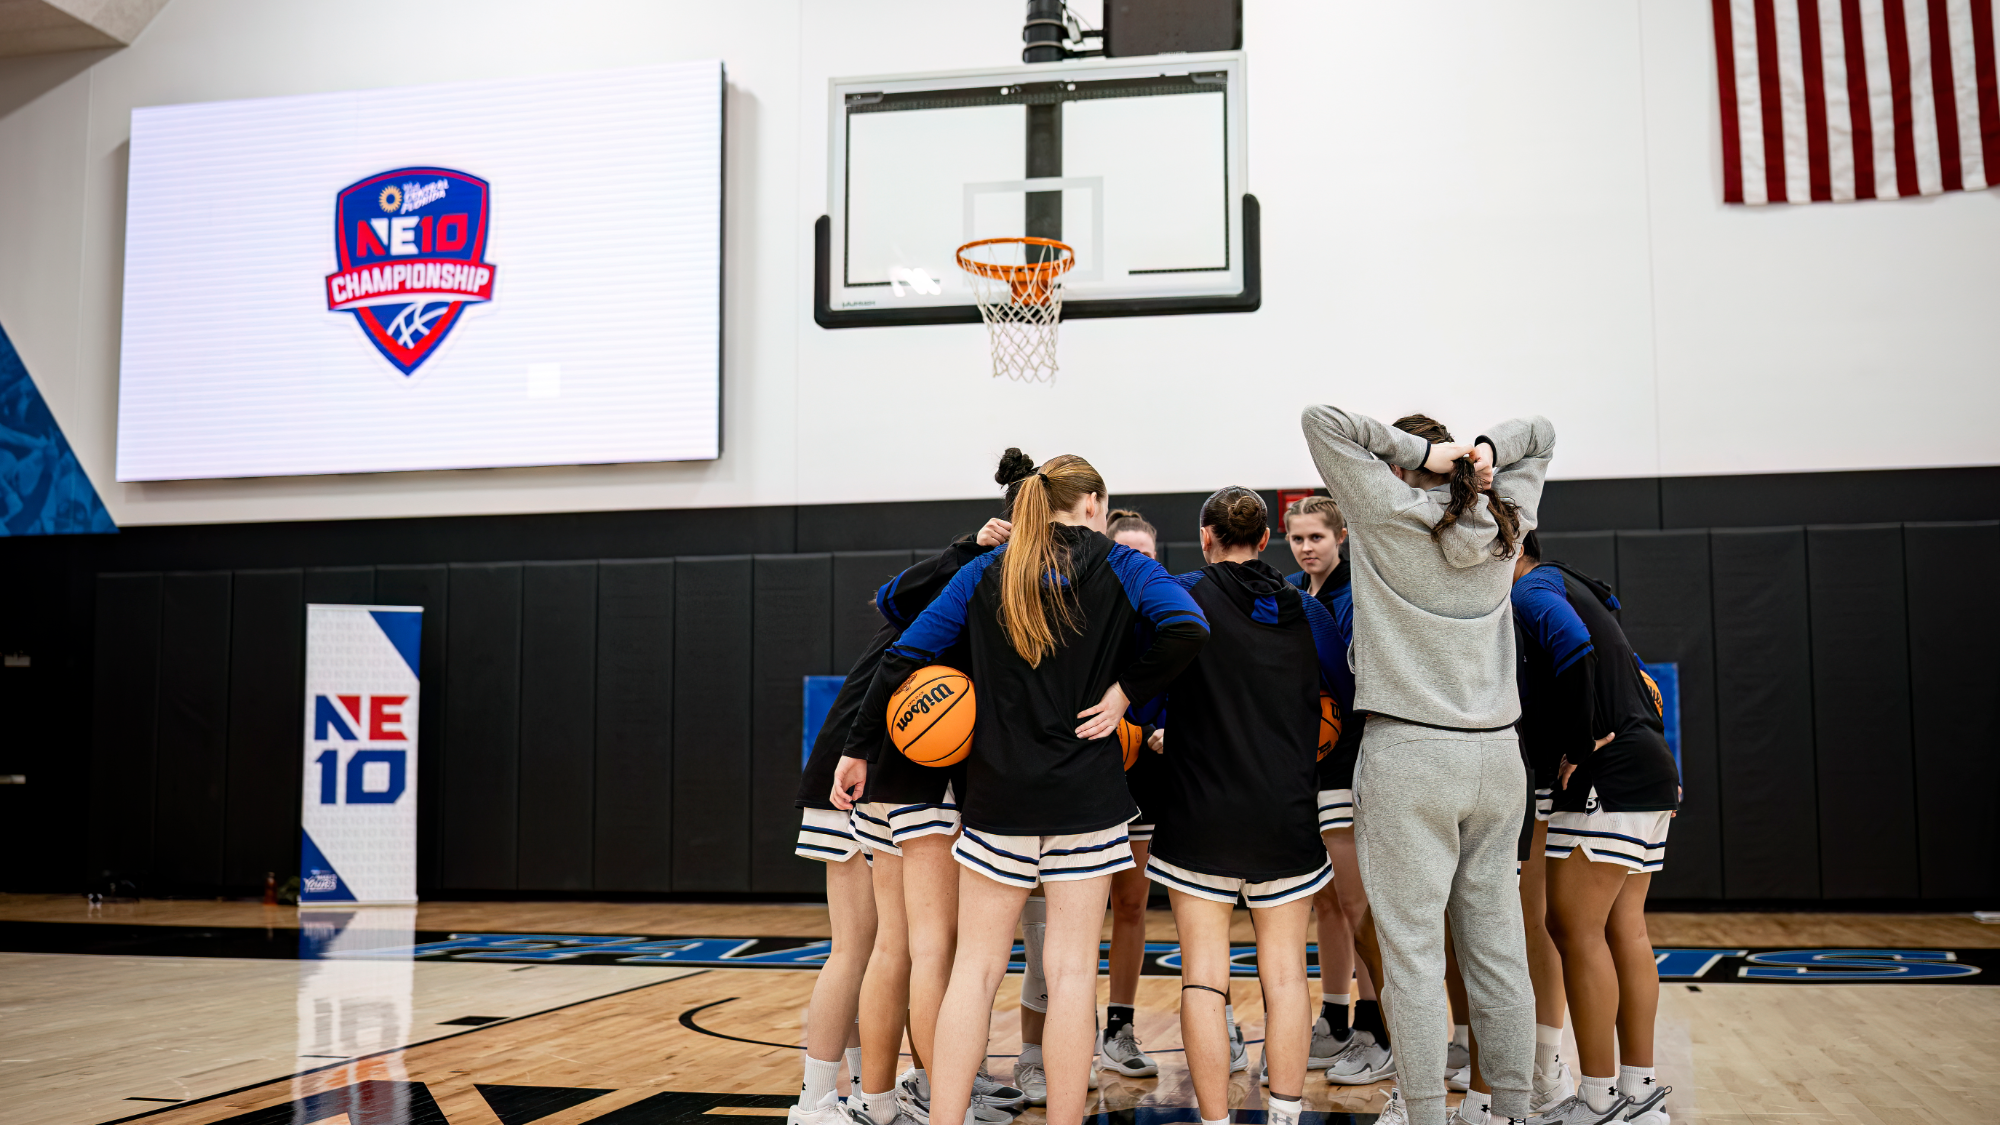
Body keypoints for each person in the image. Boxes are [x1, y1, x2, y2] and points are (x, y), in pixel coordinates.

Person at [837, 450, 1208, 1125]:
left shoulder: (986, 570)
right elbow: (1190, 626)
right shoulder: (1126, 566)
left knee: (975, 972)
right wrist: (1127, 692)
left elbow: (903, 654)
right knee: (1071, 975)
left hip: (997, 800)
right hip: (1087, 801)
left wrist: (857, 746)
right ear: (1093, 503)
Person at [1299, 405, 1555, 1125]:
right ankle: (1511, 1110)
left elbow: (1321, 420)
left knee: (1412, 955)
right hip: (1498, 757)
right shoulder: (1506, 520)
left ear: (1406, 467)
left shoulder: (1384, 514)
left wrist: (1422, 455)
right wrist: (1486, 450)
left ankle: (1423, 1113)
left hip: (1410, 752)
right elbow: (1541, 433)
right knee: (1499, 949)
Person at [1139, 487, 1342, 1125]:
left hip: (1199, 817)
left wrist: (1163, 722)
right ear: (1267, 540)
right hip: (1285, 816)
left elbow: (1143, 695)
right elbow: (1346, 692)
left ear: (1206, 537)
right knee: (1286, 978)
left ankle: (1215, 1121)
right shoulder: (1309, 612)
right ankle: (1284, 1116)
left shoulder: (1180, 596)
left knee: (1203, 978)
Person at [831, 527, 1026, 1125]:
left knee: (895, 946)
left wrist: (963, 547)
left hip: (888, 770)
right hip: (930, 777)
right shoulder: (988, 582)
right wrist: (970, 549)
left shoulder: (945, 583)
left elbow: (889, 596)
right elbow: (892, 599)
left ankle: (880, 1099)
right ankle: (942, 1100)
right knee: (935, 950)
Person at [1513, 533, 1678, 1125]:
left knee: (1573, 927)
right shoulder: (1574, 583)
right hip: (1649, 766)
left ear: (1510, 546)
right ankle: (1639, 1093)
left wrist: (1578, 749)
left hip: (1609, 776)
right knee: (1624, 928)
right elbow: (1644, 682)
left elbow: (1575, 648)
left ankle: (1598, 1098)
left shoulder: (1532, 589)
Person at [1281, 496, 1392, 1084]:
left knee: (1358, 903)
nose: (1306, 548)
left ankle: (1379, 1027)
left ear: (1340, 536)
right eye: (1297, 538)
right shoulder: (1293, 594)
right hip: (1308, 767)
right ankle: (1335, 1017)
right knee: (1324, 901)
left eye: (1316, 537)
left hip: (1351, 760)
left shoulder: (1357, 596)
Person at [1096, 508, 1166, 1081]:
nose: (1140, 562)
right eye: (1130, 553)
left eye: (1149, 554)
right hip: (1088, 775)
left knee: (1132, 905)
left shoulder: (1169, 618)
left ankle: (1118, 1027)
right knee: (1070, 913)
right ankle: (1056, 1033)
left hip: (1145, 776)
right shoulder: (1088, 614)